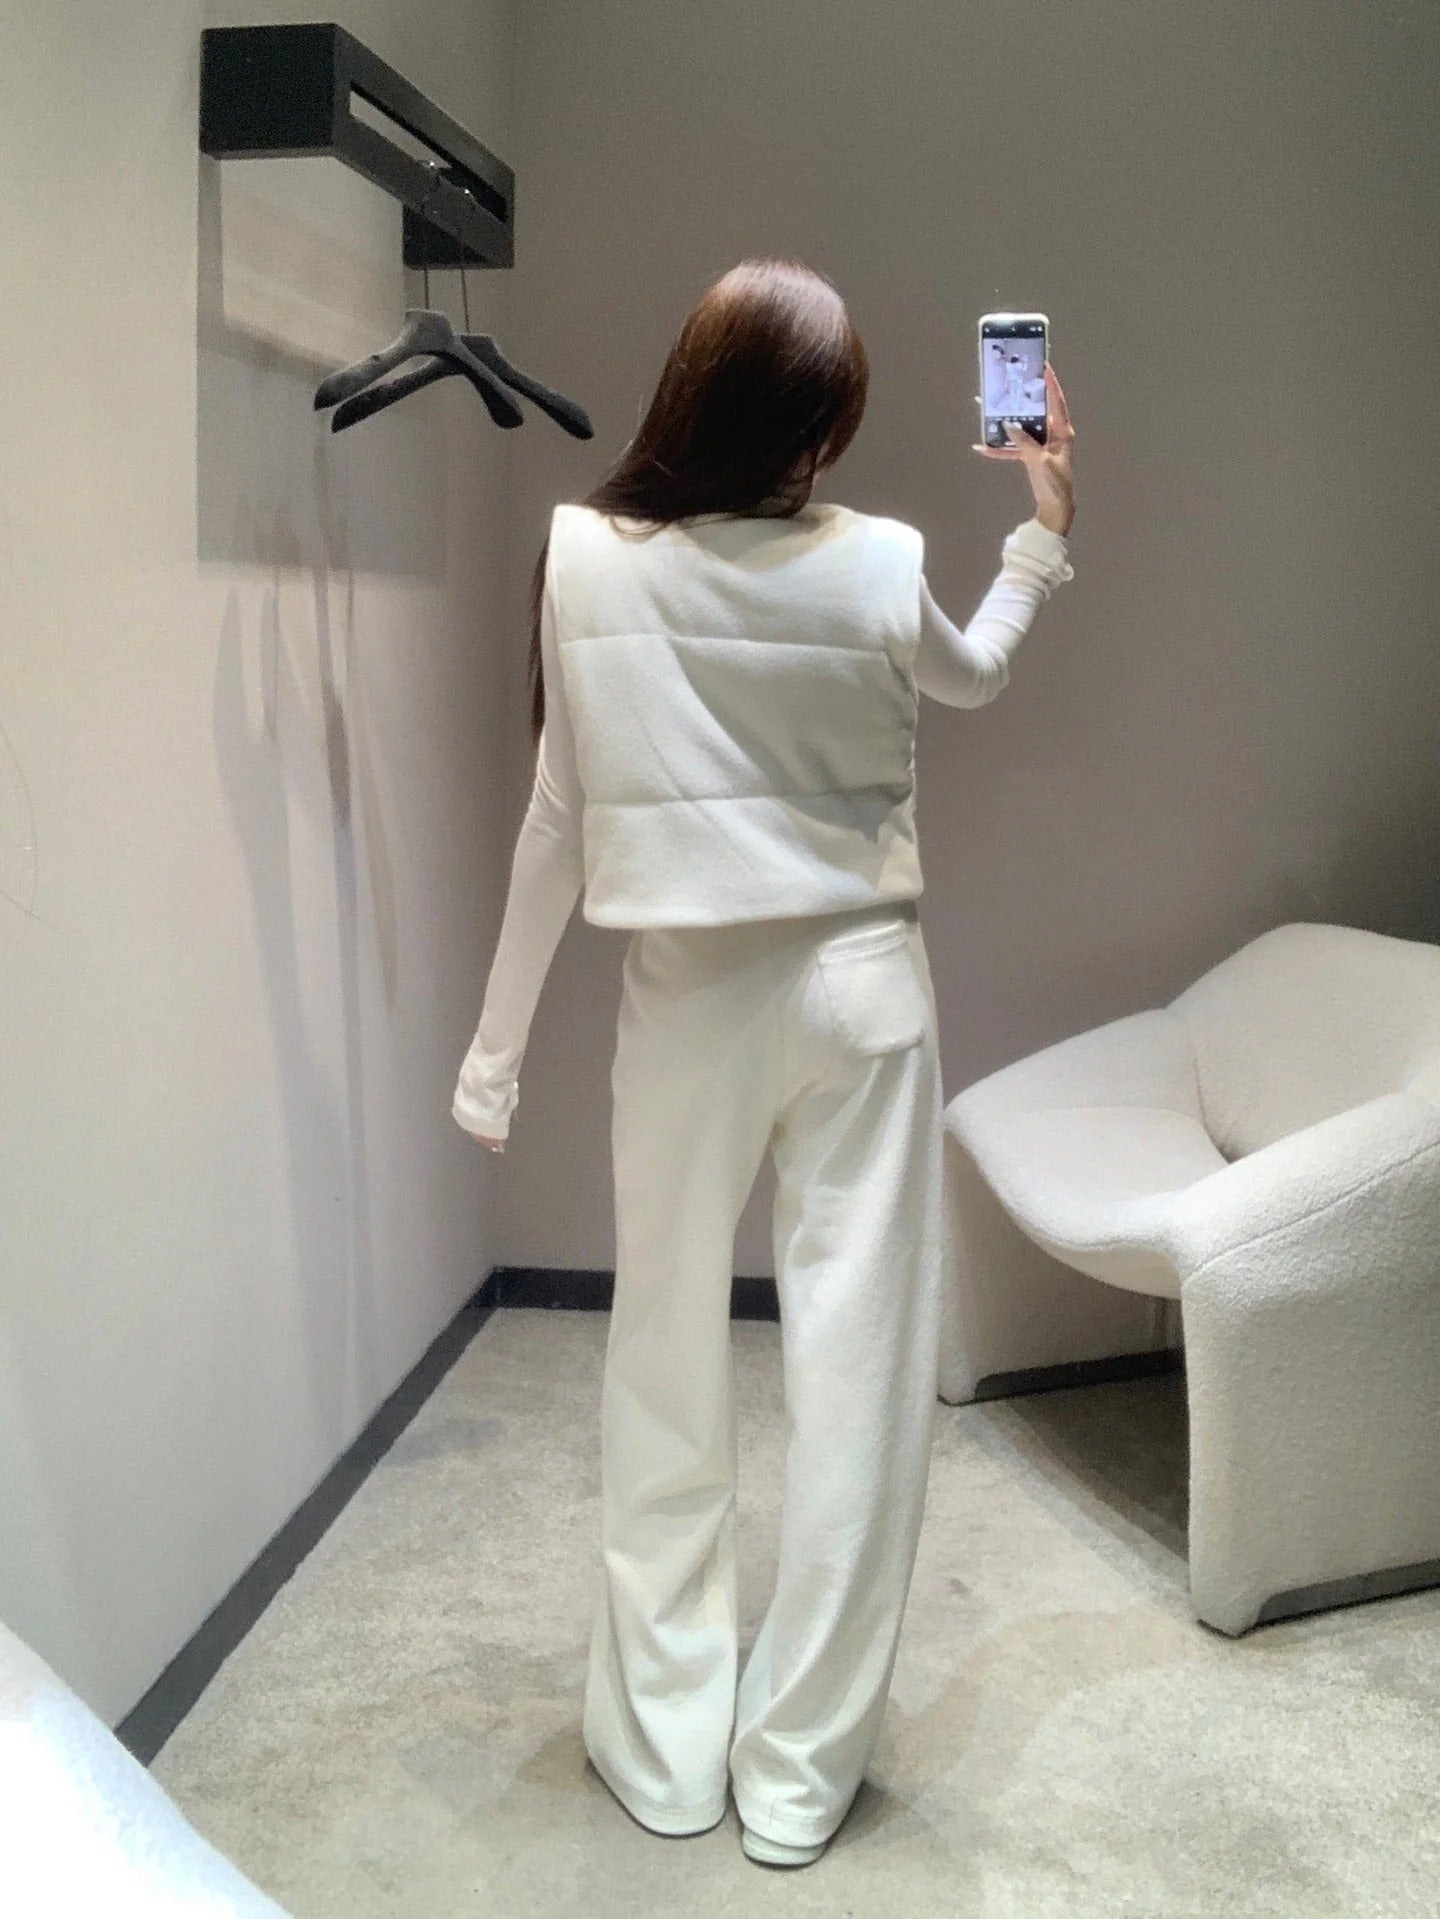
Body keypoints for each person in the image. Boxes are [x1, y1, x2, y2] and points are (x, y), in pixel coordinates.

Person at [451, 256, 1076, 1868]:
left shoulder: (588, 559)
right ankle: (798, 1775)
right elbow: (978, 673)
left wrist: (494, 1053)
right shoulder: (878, 562)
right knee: (859, 1380)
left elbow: (553, 821)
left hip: (690, 1001)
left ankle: (666, 1754)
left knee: (662, 1360)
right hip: (864, 994)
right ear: (811, 426)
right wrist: (1042, 528)